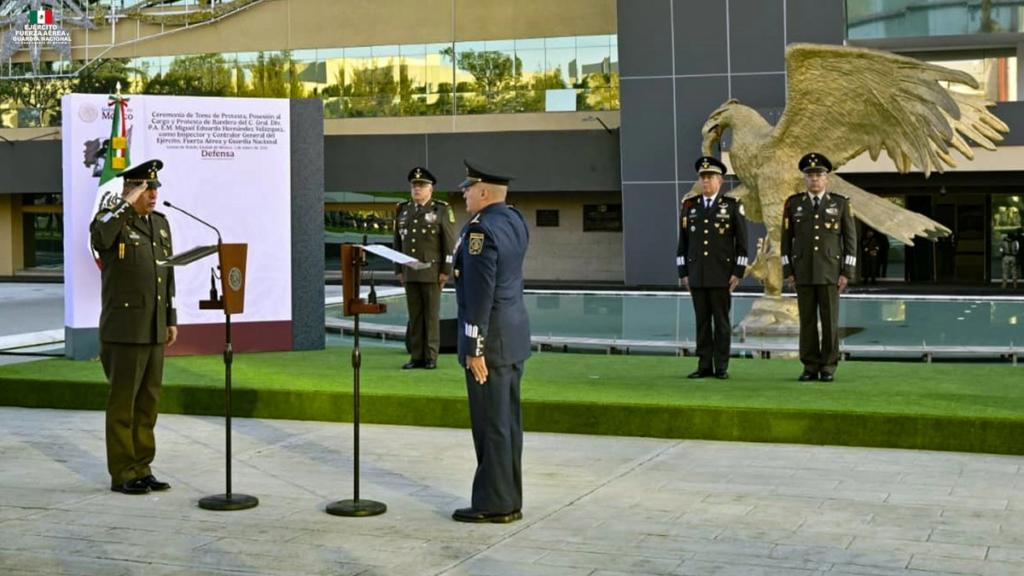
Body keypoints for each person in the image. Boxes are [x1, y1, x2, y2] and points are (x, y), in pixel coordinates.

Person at [89, 159, 177, 495]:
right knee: (123, 404)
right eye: (146, 188)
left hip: (154, 327)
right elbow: (100, 238)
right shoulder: (110, 220)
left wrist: (170, 318)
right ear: (130, 190)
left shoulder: (160, 224)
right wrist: (124, 204)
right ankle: (123, 472)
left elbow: (166, 275)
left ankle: (142, 467)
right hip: (124, 329)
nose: (153, 195)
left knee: (148, 403)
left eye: (155, 188)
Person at [451, 157, 531, 524]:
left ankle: (493, 503)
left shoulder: (480, 231)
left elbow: (480, 295)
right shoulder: (515, 219)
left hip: (491, 343)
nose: (464, 194)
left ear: (483, 192)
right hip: (512, 337)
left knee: (490, 425)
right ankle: (508, 499)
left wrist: (474, 348)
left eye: (468, 188)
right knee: (508, 424)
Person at [781, 152, 856, 383]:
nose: (814, 179)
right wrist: (788, 271)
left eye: (818, 175)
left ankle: (828, 366)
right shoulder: (794, 203)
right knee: (807, 322)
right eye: (810, 176)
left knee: (830, 321)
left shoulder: (840, 203)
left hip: (830, 272)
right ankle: (810, 366)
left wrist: (846, 272)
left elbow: (850, 240)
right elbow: (786, 241)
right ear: (804, 179)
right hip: (802, 271)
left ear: (826, 179)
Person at [676, 156, 748, 380]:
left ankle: (721, 367)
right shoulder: (690, 206)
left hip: (721, 275)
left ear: (720, 181)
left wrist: (737, 272)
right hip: (697, 274)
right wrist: (683, 273)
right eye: (703, 177)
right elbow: (683, 244)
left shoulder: (732, 206)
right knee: (702, 323)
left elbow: (742, 245)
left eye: (710, 177)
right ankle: (704, 365)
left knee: (722, 323)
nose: (705, 181)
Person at [392, 167, 456, 370]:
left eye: (421, 186)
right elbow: (397, 243)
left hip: (431, 272)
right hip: (410, 272)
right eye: (414, 186)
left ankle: (430, 356)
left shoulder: (441, 210)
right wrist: (398, 269)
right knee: (415, 316)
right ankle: (416, 356)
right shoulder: (403, 210)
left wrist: (445, 270)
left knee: (430, 316)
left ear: (431, 189)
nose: (417, 189)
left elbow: (449, 244)